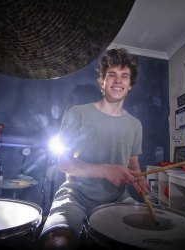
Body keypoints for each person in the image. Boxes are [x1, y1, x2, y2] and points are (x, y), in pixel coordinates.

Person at [37, 48, 148, 250]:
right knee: (58, 242)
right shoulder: (77, 113)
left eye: (124, 76)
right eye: (111, 75)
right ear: (102, 82)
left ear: (130, 85)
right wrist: (106, 170)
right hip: (76, 195)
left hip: (118, 198)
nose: (118, 80)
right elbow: (64, 162)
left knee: (145, 237)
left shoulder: (135, 124)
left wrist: (139, 178)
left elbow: (133, 164)